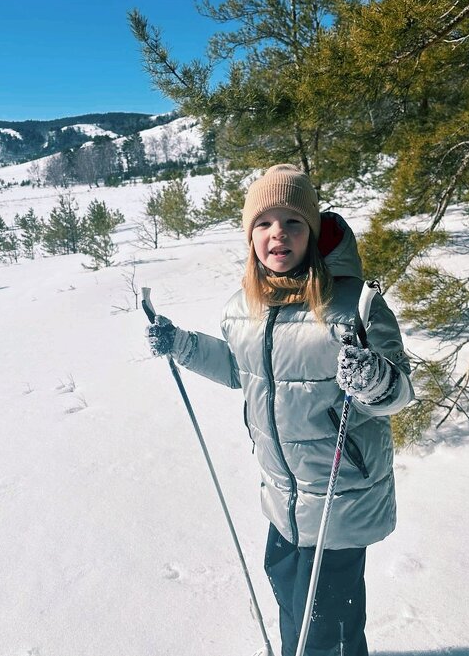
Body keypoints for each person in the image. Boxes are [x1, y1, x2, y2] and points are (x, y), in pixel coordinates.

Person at [145, 164, 414, 656]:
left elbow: (399, 391)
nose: (278, 234)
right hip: (284, 499)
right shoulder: (243, 307)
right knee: (295, 610)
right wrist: (181, 344)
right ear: (250, 236)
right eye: (264, 223)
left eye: (293, 221)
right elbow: (239, 369)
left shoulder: (354, 306)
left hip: (339, 499)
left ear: (311, 231)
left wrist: (373, 378)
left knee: (323, 633)